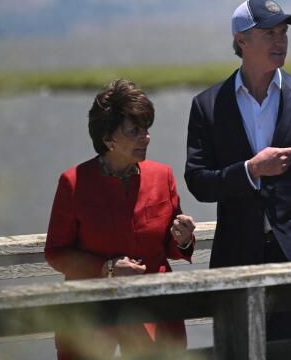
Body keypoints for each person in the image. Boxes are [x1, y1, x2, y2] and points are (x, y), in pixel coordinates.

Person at [184, 0, 291, 340]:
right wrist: (250, 171)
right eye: (270, 33)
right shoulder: (207, 105)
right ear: (241, 40)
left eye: (284, 33)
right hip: (236, 258)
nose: (281, 41)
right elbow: (198, 181)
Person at [45, 79, 196, 360]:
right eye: (135, 131)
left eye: (147, 129)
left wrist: (183, 238)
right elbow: (56, 253)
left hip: (155, 316)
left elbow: (171, 246)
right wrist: (108, 268)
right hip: (91, 318)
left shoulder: (162, 175)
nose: (146, 137)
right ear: (108, 139)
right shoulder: (74, 183)